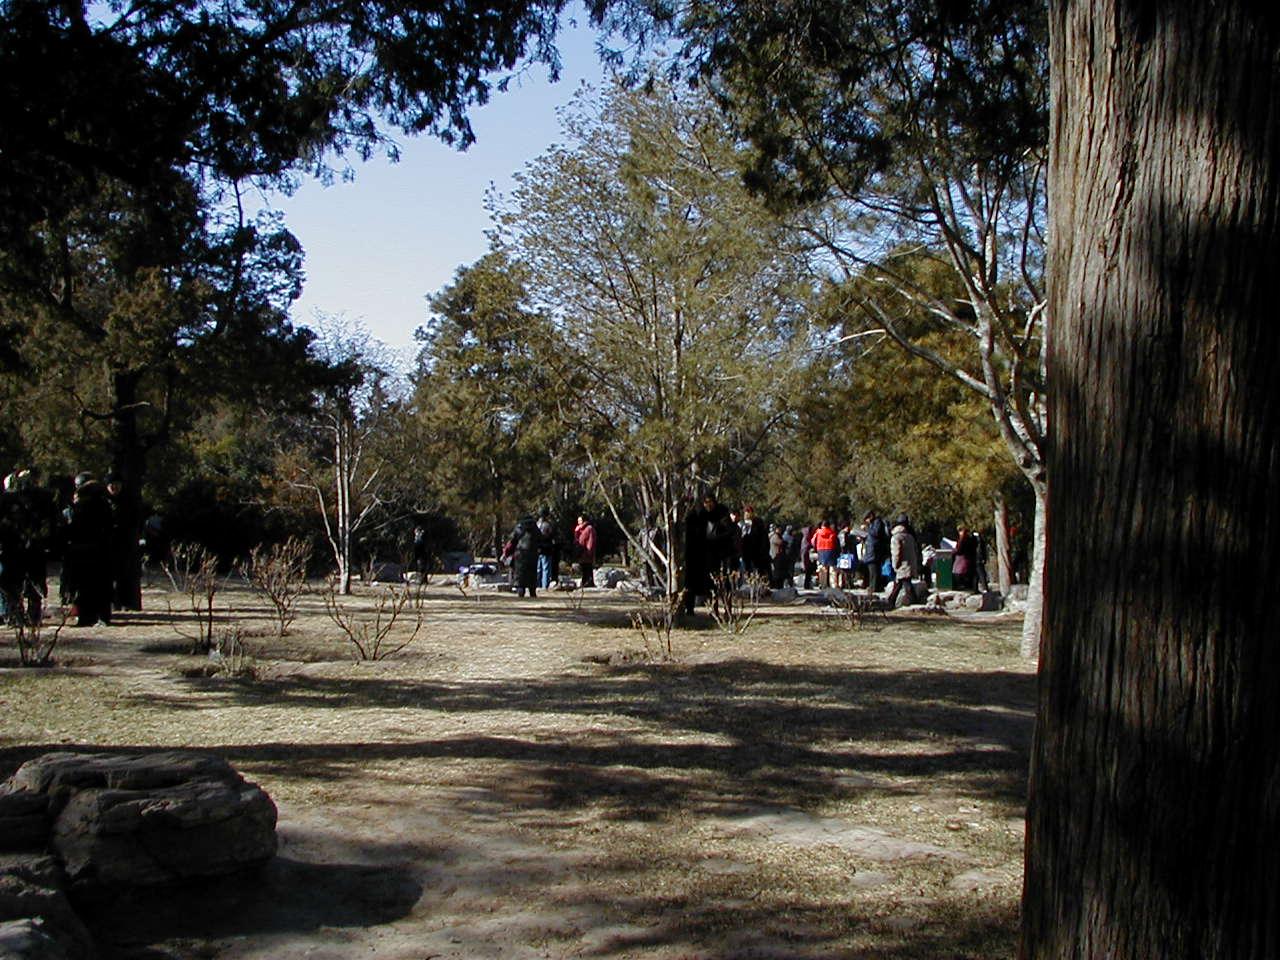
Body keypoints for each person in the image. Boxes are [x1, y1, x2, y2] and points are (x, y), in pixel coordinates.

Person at [682, 493, 734, 613]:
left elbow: (728, 532)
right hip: (699, 555)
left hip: (719, 555)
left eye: (710, 502)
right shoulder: (696, 516)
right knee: (695, 583)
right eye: (706, 502)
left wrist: (717, 541)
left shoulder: (722, 514)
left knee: (720, 584)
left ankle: (723, 610)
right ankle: (691, 609)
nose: (708, 505)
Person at [885, 514, 920, 608]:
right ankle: (891, 602)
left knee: (904, 584)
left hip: (902, 565)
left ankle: (892, 602)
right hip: (910, 564)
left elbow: (897, 552)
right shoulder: (910, 537)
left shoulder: (896, 537)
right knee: (901, 584)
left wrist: (895, 565)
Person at [508, 515, 542, 598]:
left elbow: (513, 541)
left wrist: (509, 552)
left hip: (520, 553)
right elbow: (540, 539)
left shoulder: (519, 528)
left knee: (520, 573)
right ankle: (532, 592)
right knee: (532, 572)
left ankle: (521, 591)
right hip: (533, 553)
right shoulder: (535, 528)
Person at [862, 510, 890, 594]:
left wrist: (867, 528)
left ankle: (874, 587)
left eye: (867, 519)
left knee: (874, 570)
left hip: (875, 550)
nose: (866, 521)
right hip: (871, 550)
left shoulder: (877, 522)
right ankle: (873, 586)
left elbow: (875, 533)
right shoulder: (872, 524)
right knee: (872, 570)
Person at [739, 505, 769, 579]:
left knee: (757, 570)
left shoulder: (758, 523)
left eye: (749, 512)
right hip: (744, 551)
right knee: (746, 570)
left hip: (756, 551)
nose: (747, 514)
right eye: (745, 513)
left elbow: (763, 538)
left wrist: (763, 550)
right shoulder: (740, 524)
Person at [810, 519, 838, 588]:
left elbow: (813, 541)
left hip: (820, 550)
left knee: (822, 568)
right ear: (829, 526)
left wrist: (816, 548)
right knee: (832, 569)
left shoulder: (818, 533)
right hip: (831, 550)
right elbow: (836, 543)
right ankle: (833, 585)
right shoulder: (832, 532)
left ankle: (823, 584)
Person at [954, 524, 980, 592]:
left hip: (964, 561)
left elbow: (959, 550)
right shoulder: (972, 539)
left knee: (963, 576)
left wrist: (954, 551)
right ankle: (973, 588)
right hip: (971, 560)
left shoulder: (962, 539)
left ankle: (966, 588)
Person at [573, 515, 597, 588]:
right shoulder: (579, 529)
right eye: (578, 521)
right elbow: (576, 540)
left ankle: (589, 582)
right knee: (584, 567)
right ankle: (585, 582)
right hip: (581, 551)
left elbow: (591, 540)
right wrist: (576, 532)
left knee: (588, 567)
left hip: (587, 552)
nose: (578, 522)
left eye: (580, 520)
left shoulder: (589, 528)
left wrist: (589, 551)